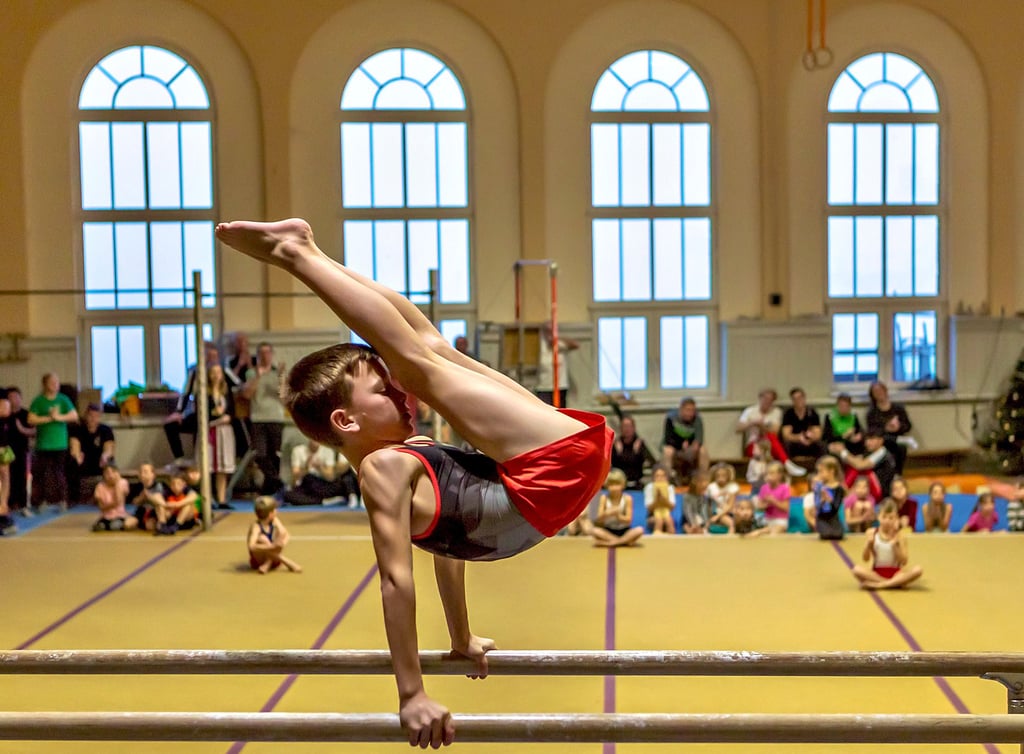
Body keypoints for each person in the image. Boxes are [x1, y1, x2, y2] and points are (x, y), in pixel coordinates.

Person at [216, 217, 613, 747]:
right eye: (385, 392)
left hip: (549, 471)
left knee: (423, 355)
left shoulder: (394, 463)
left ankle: (300, 255)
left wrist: (411, 695)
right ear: (346, 422)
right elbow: (443, 551)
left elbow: (404, 575)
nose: (405, 396)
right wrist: (459, 637)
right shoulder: (391, 466)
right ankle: (306, 252)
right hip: (556, 464)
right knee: (428, 349)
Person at [27, 372, 78, 511]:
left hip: (60, 443)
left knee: (59, 473)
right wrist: (49, 418)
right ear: (45, 385)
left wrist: (59, 417)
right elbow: (31, 419)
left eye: (57, 382)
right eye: (52, 382)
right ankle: (41, 501)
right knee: (41, 473)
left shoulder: (63, 399)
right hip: (43, 444)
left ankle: (63, 500)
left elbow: (74, 415)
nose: (55, 385)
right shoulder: (38, 401)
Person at [164, 343, 221, 464]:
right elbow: (185, 393)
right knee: (171, 425)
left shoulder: (222, 372)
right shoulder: (195, 372)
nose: (211, 360)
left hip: (216, 415)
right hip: (199, 414)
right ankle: (180, 459)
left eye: (214, 356)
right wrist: (179, 412)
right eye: (208, 356)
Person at [242, 342, 287, 494]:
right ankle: (278, 482)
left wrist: (281, 378)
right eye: (262, 353)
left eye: (268, 353)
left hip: (276, 417)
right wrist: (258, 376)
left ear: (272, 354)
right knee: (260, 455)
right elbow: (247, 394)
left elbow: (283, 398)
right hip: (258, 418)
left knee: (275, 455)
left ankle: (270, 490)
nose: (265, 356)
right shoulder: (250, 373)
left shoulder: (277, 373)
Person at [851, 499, 923, 590]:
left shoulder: (900, 536)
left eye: (891, 518)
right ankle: (893, 584)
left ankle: (881, 585)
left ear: (896, 518)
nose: (887, 521)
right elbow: (865, 559)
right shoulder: (872, 533)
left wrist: (895, 546)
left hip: (896, 573)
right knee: (856, 569)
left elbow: (904, 562)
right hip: (877, 573)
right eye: (884, 517)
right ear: (878, 517)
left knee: (918, 570)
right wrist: (868, 544)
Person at [736, 389, 806, 477]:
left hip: (770, 444)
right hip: (753, 445)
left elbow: (775, 432)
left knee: (771, 437)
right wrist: (752, 423)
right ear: (760, 398)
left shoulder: (776, 412)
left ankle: (784, 469)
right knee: (769, 440)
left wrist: (762, 426)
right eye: (765, 398)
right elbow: (738, 428)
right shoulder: (750, 411)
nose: (767, 402)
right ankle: (787, 464)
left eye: (770, 400)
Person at [285, 438, 359, 507]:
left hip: (323, 485)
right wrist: (306, 467)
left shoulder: (327, 450)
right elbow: (295, 477)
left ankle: (325, 499)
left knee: (310, 479)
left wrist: (320, 467)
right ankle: (322, 502)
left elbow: (330, 477)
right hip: (306, 486)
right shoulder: (298, 450)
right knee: (289, 495)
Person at [202, 364, 236, 508]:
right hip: (210, 431)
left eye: (218, 372)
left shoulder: (226, 392)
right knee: (208, 466)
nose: (216, 375)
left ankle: (221, 499)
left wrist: (227, 417)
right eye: (213, 372)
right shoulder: (204, 393)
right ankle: (208, 499)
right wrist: (215, 416)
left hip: (224, 432)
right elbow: (202, 413)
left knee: (222, 467)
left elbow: (232, 411)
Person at [69, 403, 116, 504]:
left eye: (96, 416)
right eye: (90, 416)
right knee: (72, 462)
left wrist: (105, 456)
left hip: (99, 463)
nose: (93, 419)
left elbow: (109, 448)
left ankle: (109, 498)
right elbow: (74, 445)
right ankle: (74, 500)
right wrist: (77, 456)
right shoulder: (77, 429)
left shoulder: (106, 430)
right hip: (83, 463)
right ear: (86, 415)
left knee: (111, 463)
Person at [830, 430, 896, 501]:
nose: (868, 442)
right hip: (867, 487)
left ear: (881, 441)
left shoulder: (882, 452)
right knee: (850, 467)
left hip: (881, 492)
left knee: (856, 469)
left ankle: (843, 492)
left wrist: (843, 451)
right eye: (866, 439)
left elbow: (860, 465)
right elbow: (855, 460)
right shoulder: (868, 452)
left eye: (871, 439)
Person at [867, 381, 913, 474]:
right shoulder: (872, 413)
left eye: (880, 390)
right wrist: (886, 428)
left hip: (898, 438)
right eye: (876, 392)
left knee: (901, 447)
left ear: (885, 391)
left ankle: (898, 475)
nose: (879, 393)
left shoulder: (898, 408)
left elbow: (908, 426)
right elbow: (872, 431)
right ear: (873, 396)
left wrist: (898, 427)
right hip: (883, 440)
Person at [247, 496, 302, 573]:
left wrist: (280, 543)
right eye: (275, 510)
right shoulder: (256, 526)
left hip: (273, 561)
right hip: (258, 562)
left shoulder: (275, 520)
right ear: (270, 514)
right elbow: (251, 546)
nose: (277, 511)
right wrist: (271, 546)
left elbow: (285, 534)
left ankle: (267, 564)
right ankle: (287, 562)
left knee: (281, 535)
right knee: (263, 539)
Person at [662, 397, 710, 482]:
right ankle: (668, 480)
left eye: (693, 410)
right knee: (667, 451)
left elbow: (699, 439)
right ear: (681, 409)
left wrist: (692, 447)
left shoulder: (697, 419)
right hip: (675, 448)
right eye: (688, 410)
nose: (690, 413)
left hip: (691, 449)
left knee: (703, 451)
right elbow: (667, 439)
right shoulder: (671, 418)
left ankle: (703, 480)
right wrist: (680, 445)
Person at [592, 468, 644, 545]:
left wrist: (618, 516)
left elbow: (628, 520)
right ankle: (623, 541)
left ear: (622, 485)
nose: (614, 488)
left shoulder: (627, 498)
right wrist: (608, 513)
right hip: (609, 530)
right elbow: (599, 519)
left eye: (617, 484)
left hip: (624, 530)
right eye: (611, 485)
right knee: (595, 531)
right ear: (607, 485)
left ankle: (612, 543)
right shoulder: (604, 498)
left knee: (640, 530)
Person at [4, 387, 34, 516]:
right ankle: (8, 503)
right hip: (6, 451)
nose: (13, 400)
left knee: (22, 477)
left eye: (16, 397)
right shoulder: (5, 414)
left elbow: (35, 431)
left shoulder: (26, 414)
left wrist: (22, 429)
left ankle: (23, 504)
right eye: (11, 397)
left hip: (21, 450)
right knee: (7, 477)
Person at [535, 321, 578, 407]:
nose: (549, 333)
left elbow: (575, 345)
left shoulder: (558, 344)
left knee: (560, 412)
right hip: (544, 386)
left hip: (560, 386)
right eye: (547, 331)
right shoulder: (538, 345)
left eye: (552, 330)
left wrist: (556, 339)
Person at [805, 455, 845, 539]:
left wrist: (830, 500)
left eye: (821, 471)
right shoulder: (818, 486)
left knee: (837, 535)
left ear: (831, 471)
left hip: (833, 518)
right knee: (826, 534)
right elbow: (817, 507)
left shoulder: (839, 489)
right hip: (822, 518)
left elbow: (836, 508)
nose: (819, 474)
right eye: (818, 472)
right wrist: (822, 500)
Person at [611, 415, 656, 490]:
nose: (627, 429)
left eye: (629, 426)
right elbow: (615, 464)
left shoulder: (639, 443)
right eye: (624, 426)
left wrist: (635, 453)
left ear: (634, 428)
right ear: (621, 428)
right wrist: (619, 453)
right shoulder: (616, 444)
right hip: (619, 484)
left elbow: (639, 463)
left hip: (636, 482)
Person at [780, 387, 825, 461]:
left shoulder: (812, 412)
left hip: (810, 441)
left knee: (822, 445)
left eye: (800, 397)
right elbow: (786, 435)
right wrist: (799, 438)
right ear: (792, 401)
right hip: (795, 441)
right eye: (795, 399)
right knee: (786, 445)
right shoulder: (789, 414)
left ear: (804, 398)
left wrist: (810, 439)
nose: (798, 400)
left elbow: (818, 434)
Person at [91, 465, 138, 532]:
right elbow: (101, 507)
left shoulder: (122, 483)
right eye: (107, 473)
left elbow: (119, 500)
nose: (110, 475)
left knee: (114, 526)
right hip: (105, 516)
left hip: (119, 515)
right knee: (99, 528)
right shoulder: (100, 486)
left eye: (113, 472)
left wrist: (116, 484)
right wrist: (113, 505)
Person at [154, 470, 199, 535]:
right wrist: (167, 505)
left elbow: (194, 496)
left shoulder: (186, 490)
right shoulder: (168, 491)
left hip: (184, 521)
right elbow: (156, 497)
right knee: (159, 505)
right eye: (173, 484)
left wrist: (177, 504)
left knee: (188, 505)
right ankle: (163, 525)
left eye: (178, 484)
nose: (175, 487)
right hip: (171, 519)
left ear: (184, 484)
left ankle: (176, 526)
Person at [754, 461, 791, 534]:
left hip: (781, 520)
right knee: (760, 531)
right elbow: (759, 506)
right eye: (767, 474)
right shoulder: (764, 488)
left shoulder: (784, 488)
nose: (768, 476)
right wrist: (765, 505)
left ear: (780, 475)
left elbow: (786, 508)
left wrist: (774, 501)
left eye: (771, 473)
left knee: (773, 532)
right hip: (766, 519)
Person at [129, 462, 165, 532]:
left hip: (154, 511)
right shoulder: (137, 486)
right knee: (127, 524)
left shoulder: (159, 486)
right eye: (140, 472)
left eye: (145, 472)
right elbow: (134, 502)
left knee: (150, 527)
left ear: (153, 474)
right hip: (141, 511)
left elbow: (162, 502)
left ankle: (161, 526)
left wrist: (149, 496)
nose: (142, 474)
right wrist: (141, 497)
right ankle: (142, 525)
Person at [0, 395, 15, 535]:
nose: (7, 409)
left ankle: (3, 507)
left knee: (5, 476)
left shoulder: (8, 422)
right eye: (3, 406)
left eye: (8, 407)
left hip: (4, 450)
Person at [682, 469, 713, 535]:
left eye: (706, 481)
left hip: (703, 523)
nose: (704, 484)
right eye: (701, 482)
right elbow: (688, 512)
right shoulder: (688, 497)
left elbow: (705, 512)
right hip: (691, 522)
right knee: (687, 527)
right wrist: (693, 524)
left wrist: (706, 524)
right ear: (694, 482)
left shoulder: (706, 496)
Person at [646, 468, 676, 535]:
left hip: (666, 512)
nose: (660, 478)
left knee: (670, 521)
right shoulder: (649, 487)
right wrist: (657, 499)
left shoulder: (670, 488)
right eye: (657, 476)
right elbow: (649, 509)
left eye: (662, 476)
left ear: (666, 478)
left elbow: (672, 507)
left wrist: (664, 499)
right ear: (653, 478)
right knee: (659, 520)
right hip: (652, 514)